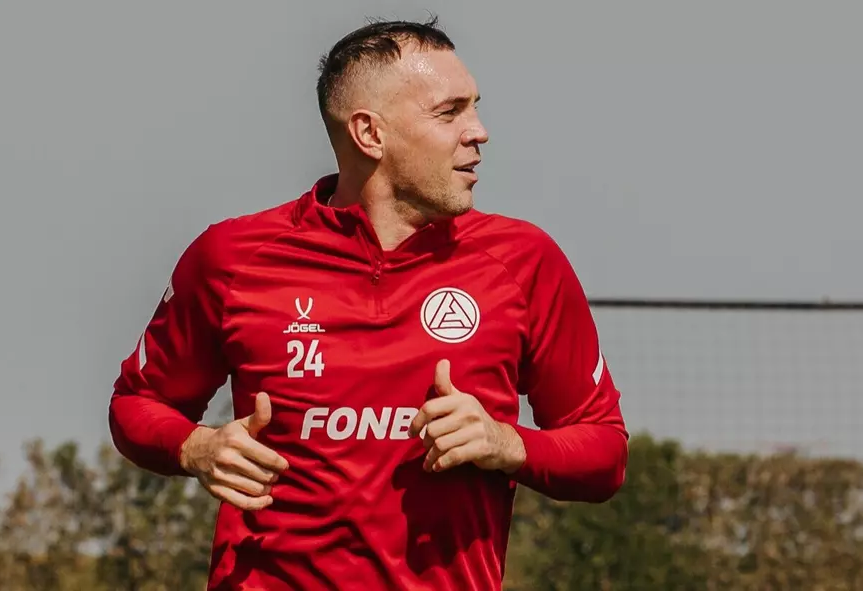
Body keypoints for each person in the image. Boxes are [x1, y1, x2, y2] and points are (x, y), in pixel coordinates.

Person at [109, 16, 629, 591]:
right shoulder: (233, 258)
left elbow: (604, 450)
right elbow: (137, 403)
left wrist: (509, 444)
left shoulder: (524, 261)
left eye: (475, 108)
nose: (479, 132)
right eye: (449, 112)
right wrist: (196, 447)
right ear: (369, 133)